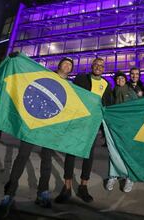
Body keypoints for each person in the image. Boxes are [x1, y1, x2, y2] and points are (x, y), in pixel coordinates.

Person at [0, 54, 75, 218]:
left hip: (50, 128)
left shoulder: (70, 86)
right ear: (59, 65)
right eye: (65, 63)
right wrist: (17, 58)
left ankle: (43, 193)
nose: (67, 66)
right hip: (34, 123)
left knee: (47, 160)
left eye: (70, 65)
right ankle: (9, 194)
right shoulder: (45, 75)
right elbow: (29, 78)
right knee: (22, 156)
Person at [55, 57, 113, 204]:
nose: (99, 67)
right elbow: (71, 95)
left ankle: (83, 187)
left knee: (88, 156)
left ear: (104, 68)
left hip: (92, 126)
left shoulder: (106, 85)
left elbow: (107, 107)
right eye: (96, 64)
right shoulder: (81, 78)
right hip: (77, 122)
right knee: (71, 153)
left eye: (101, 65)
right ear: (92, 66)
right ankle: (66, 187)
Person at [106, 71, 138, 193]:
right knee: (114, 152)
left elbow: (136, 107)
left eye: (122, 78)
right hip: (115, 127)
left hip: (128, 127)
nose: (120, 80)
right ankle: (113, 175)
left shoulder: (130, 91)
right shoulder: (113, 93)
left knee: (128, 153)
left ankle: (129, 177)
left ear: (125, 80)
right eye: (118, 79)